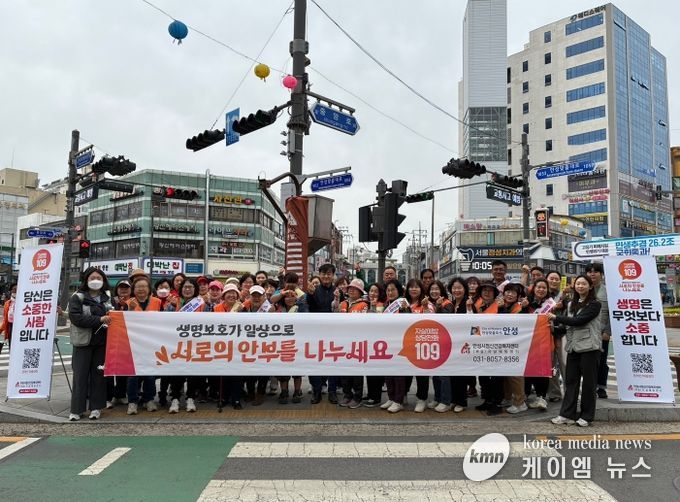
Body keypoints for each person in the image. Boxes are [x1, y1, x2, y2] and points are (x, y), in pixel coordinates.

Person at [548, 275, 602, 427]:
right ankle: (567, 415)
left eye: (584, 284)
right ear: (574, 286)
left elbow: (579, 321)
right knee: (571, 382)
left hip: (590, 348)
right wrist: (553, 328)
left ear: (590, 286)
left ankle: (587, 416)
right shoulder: (571, 304)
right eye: (578, 284)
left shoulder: (595, 304)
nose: (580, 286)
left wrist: (556, 318)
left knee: (589, 384)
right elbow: (568, 326)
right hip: (573, 347)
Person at [68, 268, 113, 421]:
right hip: (82, 343)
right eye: (92, 278)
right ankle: (76, 410)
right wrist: (99, 319)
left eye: (99, 278)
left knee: (99, 376)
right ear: (86, 280)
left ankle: (96, 408)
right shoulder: (77, 297)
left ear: (104, 281)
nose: (95, 280)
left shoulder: (107, 298)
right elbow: (76, 318)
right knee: (80, 376)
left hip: (102, 343)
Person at [164, 278, 205, 413]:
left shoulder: (201, 304)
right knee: (177, 372)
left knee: (192, 372)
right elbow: (165, 321)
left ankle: (190, 398)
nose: (187, 289)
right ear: (181, 289)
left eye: (190, 287)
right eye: (185, 287)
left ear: (195, 289)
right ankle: (175, 398)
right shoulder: (173, 303)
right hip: (176, 343)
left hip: (196, 343)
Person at [126, 276, 162, 415]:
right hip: (133, 344)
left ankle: (149, 399)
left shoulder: (157, 302)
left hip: (151, 344)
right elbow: (123, 321)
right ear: (133, 289)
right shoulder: (129, 303)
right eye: (138, 287)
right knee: (132, 375)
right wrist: (129, 310)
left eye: (144, 286)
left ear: (149, 288)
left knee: (150, 374)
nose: (141, 289)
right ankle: (132, 402)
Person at [307, 263, 339, 404]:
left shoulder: (338, 291)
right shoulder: (313, 290)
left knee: (333, 362)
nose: (326, 276)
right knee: (314, 362)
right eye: (323, 273)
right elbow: (309, 308)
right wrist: (310, 294)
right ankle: (317, 391)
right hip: (315, 333)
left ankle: (332, 391)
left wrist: (338, 299)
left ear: (333, 275)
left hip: (333, 333)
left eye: (329, 273)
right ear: (319, 275)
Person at [272, 281, 308, 404]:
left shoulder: (301, 307)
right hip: (281, 343)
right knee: (283, 370)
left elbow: (306, 316)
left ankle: (297, 391)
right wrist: (282, 293)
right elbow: (271, 301)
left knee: (297, 370)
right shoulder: (277, 308)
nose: (289, 298)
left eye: (292, 296)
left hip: (298, 342)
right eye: (287, 296)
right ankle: (284, 391)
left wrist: (299, 299)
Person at [336, 279, 369, 409]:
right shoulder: (343, 303)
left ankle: (357, 396)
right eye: (350, 288)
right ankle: (347, 394)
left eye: (354, 289)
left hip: (358, 342)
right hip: (343, 341)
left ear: (360, 292)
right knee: (344, 370)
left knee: (356, 372)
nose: (351, 290)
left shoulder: (364, 305)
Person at [520, 278, 552, 411]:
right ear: (534, 289)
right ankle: (525, 395)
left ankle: (541, 397)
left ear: (547, 290)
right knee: (527, 369)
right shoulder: (526, 302)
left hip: (544, 341)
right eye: (539, 287)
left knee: (543, 370)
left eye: (544, 287)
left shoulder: (551, 304)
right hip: (527, 342)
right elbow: (519, 320)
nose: (541, 290)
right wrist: (524, 307)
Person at [214, 283, 246, 409]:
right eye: (229, 293)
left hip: (238, 346)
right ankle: (223, 397)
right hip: (221, 345)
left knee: (237, 374)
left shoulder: (242, 308)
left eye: (234, 293)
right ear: (224, 296)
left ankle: (236, 399)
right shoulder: (216, 308)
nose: (231, 295)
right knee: (222, 373)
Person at [381, 279, 410, 413]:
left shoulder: (403, 303)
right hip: (388, 342)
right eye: (388, 290)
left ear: (399, 291)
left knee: (399, 373)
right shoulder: (387, 304)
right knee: (388, 372)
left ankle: (399, 401)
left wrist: (405, 310)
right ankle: (391, 398)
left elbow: (408, 321)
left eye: (393, 289)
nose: (390, 292)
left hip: (400, 342)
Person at [405, 278, 434, 413]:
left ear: (421, 289)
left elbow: (432, 321)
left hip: (422, 344)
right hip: (407, 342)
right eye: (411, 287)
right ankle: (403, 395)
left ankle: (422, 399)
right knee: (405, 372)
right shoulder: (403, 303)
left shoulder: (426, 303)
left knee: (422, 373)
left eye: (417, 287)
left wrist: (425, 308)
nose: (413, 289)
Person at [240, 285, 273, 405]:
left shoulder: (270, 309)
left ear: (264, 297)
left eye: (259, 295)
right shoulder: (243, 308)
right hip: (248, 345)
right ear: (249, 296)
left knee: (263, 370)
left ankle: (260, 393)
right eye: (254, 295)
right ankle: (250, 392)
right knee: (249, 370)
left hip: (265, 345)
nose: (256, 298)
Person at [498, 283, 527, 415]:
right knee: (506, 373)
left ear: (518, 296)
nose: (510, 294)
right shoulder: (502, 305)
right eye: (507, 291)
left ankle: (520, 403)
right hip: (504, 345)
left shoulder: (519, 308)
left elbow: (510, 322)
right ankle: (509, 398)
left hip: (517, 346)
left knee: (515, 374)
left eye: (513, 292)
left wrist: (501, 309)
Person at [427, 280, 454, 413]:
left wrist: (438, 306)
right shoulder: (430, 304)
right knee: (435, 373)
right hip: (433, 342)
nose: (434, 291)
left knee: (444, 374)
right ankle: (437, 398)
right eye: (432, 289)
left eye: (437, 289)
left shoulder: (447, 304)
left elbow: (444, 320)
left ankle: (446, 401)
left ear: (442, 291)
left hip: (444, 342)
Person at [585, 263, 611, 399]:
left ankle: (601, 387)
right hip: (585, 332)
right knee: (588, 363)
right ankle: (590, 387)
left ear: (602, 274)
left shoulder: (608, 291)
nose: (592, 274)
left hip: (601, 333)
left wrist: (608, 331)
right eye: (589, 271)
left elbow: (613, 313)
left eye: (595, 271)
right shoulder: (582, 289)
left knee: (602, 361)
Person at [106, 280, 131, 409]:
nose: (123, 290)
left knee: (123, 369)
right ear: (116, 289)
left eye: (126, 287)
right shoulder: (109, 301)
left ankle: (120, 394)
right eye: (121, 287)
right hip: (111, 340)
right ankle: (107, 397)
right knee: (109, 369)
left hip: (127, 341)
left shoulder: (133, 302)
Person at [545, 271, 567, 402]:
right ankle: (554, 393)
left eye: (556, 279)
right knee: (550, 365)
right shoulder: (542, 294)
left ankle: (570, 393)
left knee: (565, 365)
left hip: (562, 334)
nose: (553, 281)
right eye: (551, 278)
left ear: (560, 281)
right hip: (546, 335)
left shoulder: (566, 296)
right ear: (546, 279)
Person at [364, 283, 386, 407]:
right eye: (371, 291)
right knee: (369, 371)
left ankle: (376, 397)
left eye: (376, 291)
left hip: (379, 343)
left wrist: (373, 307)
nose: (373, 293)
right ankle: (370, 394)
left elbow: (377, 321)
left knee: (376, 371)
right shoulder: (365, 304)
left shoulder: (382, 305)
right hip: (368, 341)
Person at [0, 283, 17, 350]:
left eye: (17, 289)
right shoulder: (7, 303)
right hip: (10, 327)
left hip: (20, 327)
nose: (15, 291)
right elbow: (5, 319)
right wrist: (0, 330)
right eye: (14, 289)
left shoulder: (23, 301)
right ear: (11, 291)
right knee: (11, 347)